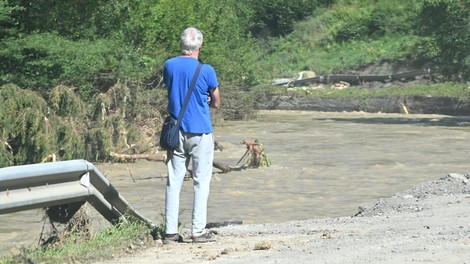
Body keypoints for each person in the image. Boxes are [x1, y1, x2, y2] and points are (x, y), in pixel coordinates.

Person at [162, 27, 220, 244]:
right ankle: (198, 231)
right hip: (201, 131)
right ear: (200, 46)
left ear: (181, 45)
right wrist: (205, 100)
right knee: (201, 181)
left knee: (174, 181)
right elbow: (216, 102)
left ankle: (170, 232)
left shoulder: (169, 65)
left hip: (176, 132)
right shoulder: (207, 70)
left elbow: (172, 89)